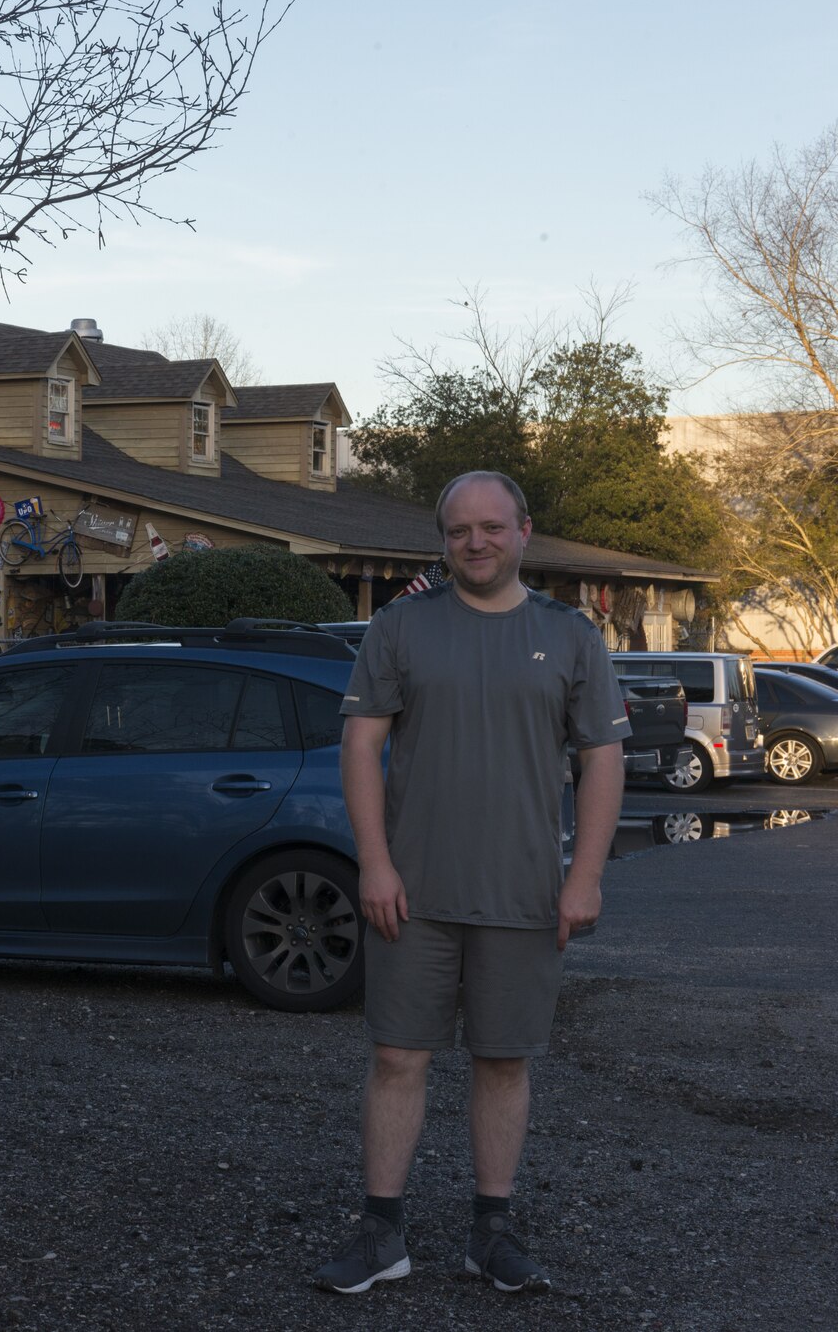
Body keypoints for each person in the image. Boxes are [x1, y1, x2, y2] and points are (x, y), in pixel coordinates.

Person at [312, 470, 627, 1297]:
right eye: (459, 530)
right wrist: (374, 862)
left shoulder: (571, 636)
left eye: (492, 527)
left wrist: (584, 876)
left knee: (503, 1061)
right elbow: (359, 748)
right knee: (396, 1056)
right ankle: (383, 1231)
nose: (476, 542)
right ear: (443, 538)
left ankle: (492, 1231)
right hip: (411, 893)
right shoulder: (401, 627)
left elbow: (602, 758)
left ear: (524, 530)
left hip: (525, 894)